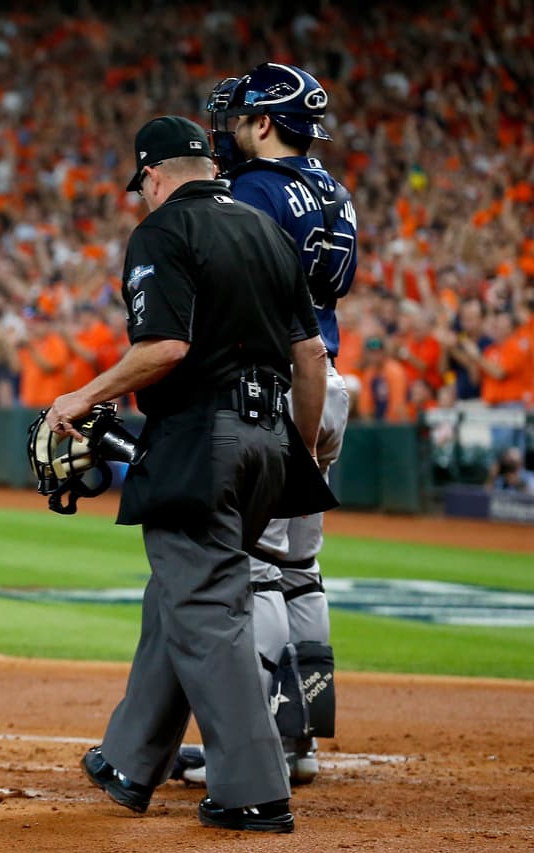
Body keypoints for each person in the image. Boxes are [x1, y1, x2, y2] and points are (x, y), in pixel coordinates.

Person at [43, 115, 332, 833]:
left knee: (207, 608)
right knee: (177, 592)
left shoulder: (164, 230)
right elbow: (311, 357)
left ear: (153, 175)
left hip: (204, 438)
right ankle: (129, 758)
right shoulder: (267, 229)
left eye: (140, 184)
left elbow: (165, 347)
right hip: (268, 439)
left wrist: (83, 395)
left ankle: (253, 791)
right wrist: (294, 453)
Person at [172, 61, 358, 787]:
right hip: (327, 380)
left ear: (265, 122)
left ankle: (262, 748)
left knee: (255, 571)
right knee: (301, 570)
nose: (229, 130)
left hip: (275, 385)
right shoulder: (335, 191)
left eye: (239, 118)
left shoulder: (254, 189)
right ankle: (301, 740)